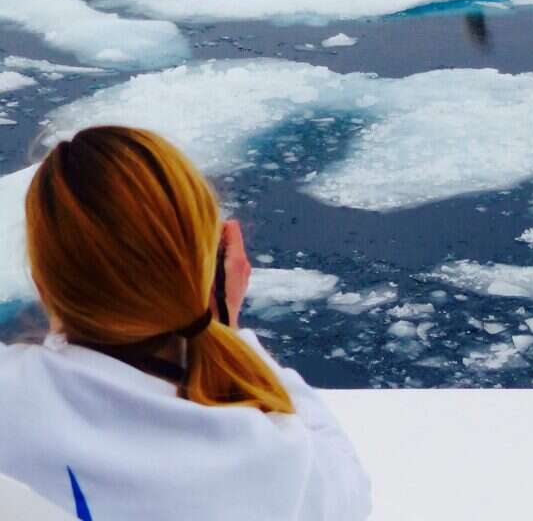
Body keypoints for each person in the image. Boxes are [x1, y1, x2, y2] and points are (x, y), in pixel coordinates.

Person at [0, 126, 371, 520]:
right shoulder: (281, 456)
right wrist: (226, 328)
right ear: (207, 263)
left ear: (42, 280)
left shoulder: (20, 399)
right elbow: (350, 488)